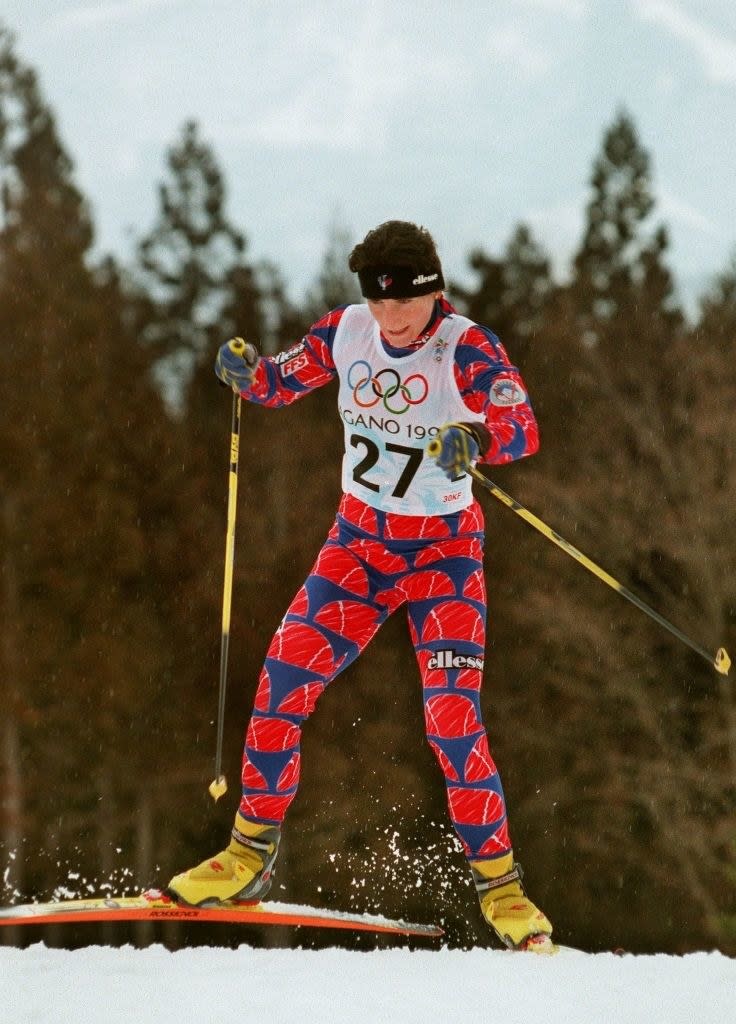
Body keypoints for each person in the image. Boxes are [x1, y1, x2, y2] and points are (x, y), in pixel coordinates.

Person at [168, 219, 552, 950]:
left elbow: (521, 425)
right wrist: (249, 376)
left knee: (451, 722)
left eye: (405, 305)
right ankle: (247, 854)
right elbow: (283, 380)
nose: (392, 320)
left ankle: (502, 890)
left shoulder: (466, 347)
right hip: (358, 547)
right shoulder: (346, 332)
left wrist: (477, 438)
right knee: (282, 684)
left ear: (434, 291)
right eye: (379, 305)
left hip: (444, 558)